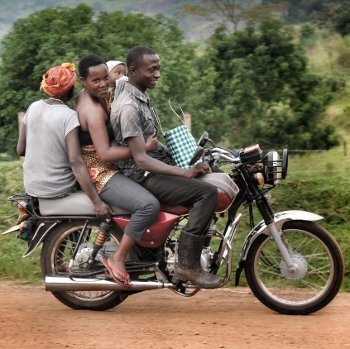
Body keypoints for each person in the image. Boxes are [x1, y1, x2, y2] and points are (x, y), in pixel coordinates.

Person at [110, 46, 221, 289]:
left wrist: (185, 157)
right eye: (152, 69)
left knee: (209, 181)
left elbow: (150, 140)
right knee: (207, 193)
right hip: (142, 176)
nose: (158, 74)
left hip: (153, 168)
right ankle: (188, 265)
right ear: (133, 71)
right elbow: (141, 159)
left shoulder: (140, 95)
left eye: (158, 68)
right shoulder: (129, 107)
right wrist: (185, 172)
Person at [76, 54, 160, 288]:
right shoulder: (92, 111)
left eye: (105, 78)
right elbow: (104, 153)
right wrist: (142, 147)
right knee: (148, 205)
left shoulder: (98, 96)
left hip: (113, 167)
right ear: (83, 80)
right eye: (96, 81)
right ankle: (117, 258)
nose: (103, 84)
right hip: (102, 172)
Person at [17, 63, 110, 220]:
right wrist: (97, 203)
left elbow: (20, 150)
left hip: (32, 187)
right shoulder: (69, 116)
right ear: (72, 88)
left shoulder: (33, 107)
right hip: (58, 189)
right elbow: (76, 162)